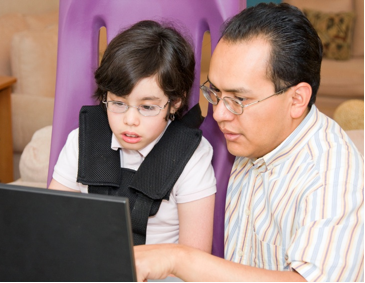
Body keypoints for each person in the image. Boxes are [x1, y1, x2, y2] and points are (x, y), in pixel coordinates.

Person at [134, 3, 364, 282]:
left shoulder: (333, 175)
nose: (218, 114)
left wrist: (178, 258)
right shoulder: (249, 139)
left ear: (297, 100)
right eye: (215, 92)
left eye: (238, 100)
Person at [49, 20, 216, 251]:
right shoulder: (82, 141)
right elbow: (51, 222)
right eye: (118, 103)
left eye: (147, 107)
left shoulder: (192, 156)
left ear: (175, 102)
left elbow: (196, 260)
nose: (130, 120)